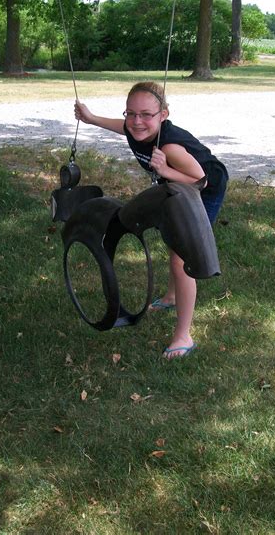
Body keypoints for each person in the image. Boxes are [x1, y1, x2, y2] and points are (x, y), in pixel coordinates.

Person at [74, 81, 228, 359]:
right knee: (173, 243)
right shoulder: (136, 129)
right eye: (130, 113)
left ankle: (184, 336)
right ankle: (170, 297)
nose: (136, 121)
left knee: (183, 258)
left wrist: (166, 168)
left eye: (146, 114)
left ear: (163, 115)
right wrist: (90, 118)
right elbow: (121, 127)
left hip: (204, 187)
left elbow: (200, 180)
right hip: (177, 184)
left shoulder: (170, 147)